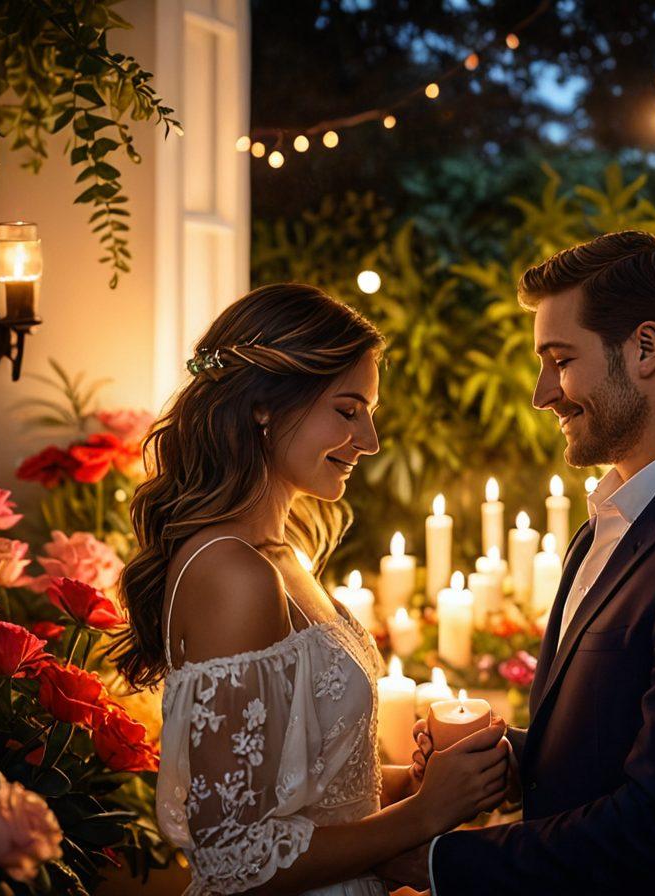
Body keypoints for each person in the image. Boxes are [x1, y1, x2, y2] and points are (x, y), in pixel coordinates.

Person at [408, 231, 655, 895]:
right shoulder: (617, 516)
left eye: (561, 360)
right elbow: (617, 744)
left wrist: (431, 863)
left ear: (646, 349)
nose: (544, 394)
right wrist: (506, 758)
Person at [113, 284, 508, 895]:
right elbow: (233, 859)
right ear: (263, 408)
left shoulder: (283, 554)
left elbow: (320, 797)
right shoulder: (230, 573)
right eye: (348, 411)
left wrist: (418, 782)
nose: (370, 440)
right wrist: (424, 816)